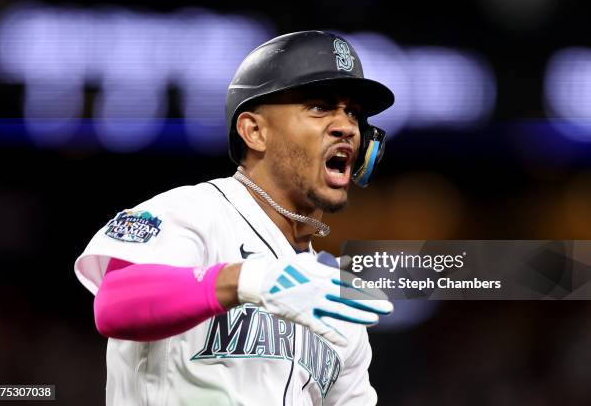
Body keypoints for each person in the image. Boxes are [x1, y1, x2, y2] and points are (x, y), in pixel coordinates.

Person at [74, 30, 395, 406]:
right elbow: (115, 304)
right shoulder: (193, 212)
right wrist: (247, 279)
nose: (346, 126)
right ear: (254, 131)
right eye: (320, 107)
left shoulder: (332, 298)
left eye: (353, 113)